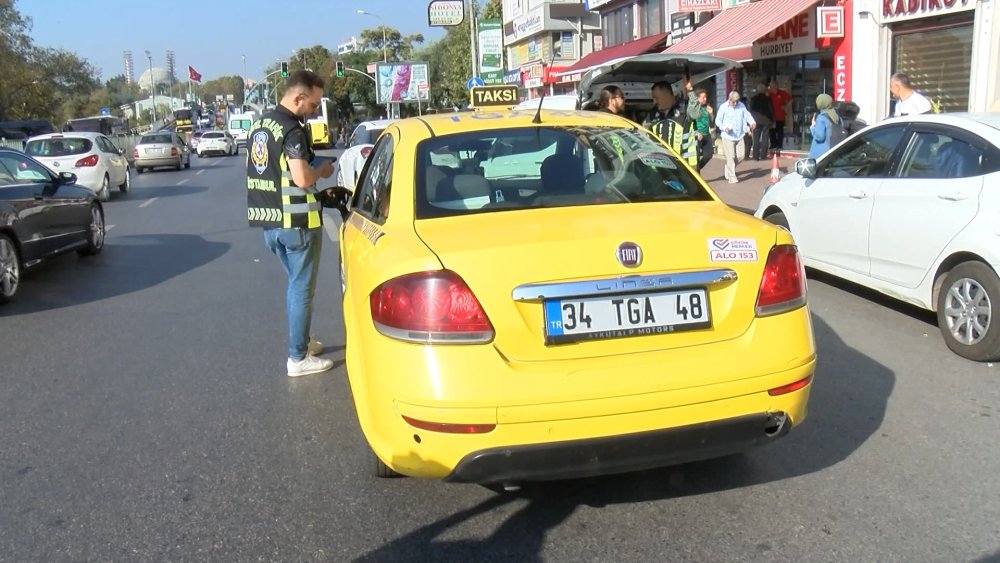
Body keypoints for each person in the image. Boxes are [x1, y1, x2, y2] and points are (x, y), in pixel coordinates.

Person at [246, 70, 336, 378]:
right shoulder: (293, 130)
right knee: (301, 290)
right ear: (298, 98)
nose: (313, 111)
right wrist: (322, 169)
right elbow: (301, 178)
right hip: (297, 221)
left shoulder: (260, 125)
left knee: (295, 287)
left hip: (268, 221)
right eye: (313, 104)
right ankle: (298, 358)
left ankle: (303, 341)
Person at [647, 81, 698, 167]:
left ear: (667, 95)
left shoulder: (685, 108)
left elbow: (696, 112)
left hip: (687, 168)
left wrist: (690, 91)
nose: (654, 102)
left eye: (656, 98)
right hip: (663, 167)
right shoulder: (653, 114)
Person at [715, 91, 756, 184]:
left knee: (741, 156)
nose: (735, 103)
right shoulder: (723, 107)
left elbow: (747, 115)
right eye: (733, 101)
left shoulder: (741, 106)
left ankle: (729, 167)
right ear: (729, 99)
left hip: (739, 135)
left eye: (737, 101)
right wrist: (724, 128)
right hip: (727, 136)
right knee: (731, 157)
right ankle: (732, 177)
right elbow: (718, 120)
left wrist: (752, 122)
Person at [687, 87, 715, 172]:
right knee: (696, 157)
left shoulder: (707, 106)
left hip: (706, 134)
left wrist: (711, 114)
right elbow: (689, 122)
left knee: (708, 155)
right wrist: (696, 133)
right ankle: (696, 173)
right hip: (697, 135)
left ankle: (695, 170)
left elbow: (711, 121)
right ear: (697, 98)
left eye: (706, 97)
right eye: (703, 97)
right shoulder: (693, 108)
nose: (705, 99)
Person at [809, 94, 843, 160]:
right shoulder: (838, 117)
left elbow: (820, 137)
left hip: (821, 154)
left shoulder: (821, 118)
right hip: (834, 151)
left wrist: (813, 126)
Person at [748, 82, 774, 161]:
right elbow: (771, 110)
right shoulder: (768, 99)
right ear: (764, 90)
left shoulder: (753, 99)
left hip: (756, 120)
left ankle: (756, 156)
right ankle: (763, 156)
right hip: (766, 120)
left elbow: (750, 110)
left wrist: (750, 121)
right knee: (765, 138)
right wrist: (773, 119)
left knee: (756, 138)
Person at [768, 80, 793, 153]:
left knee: (780, 131)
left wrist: (786, 107)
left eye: (773, 86)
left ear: (776, 86)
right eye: (770, 86)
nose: (771, 88)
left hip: (780, 116)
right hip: (771, 117)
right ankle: (773, 145)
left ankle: (779, 145)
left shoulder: (782, 93)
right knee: (772, 131)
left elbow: (791, 99)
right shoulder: (769, 94)